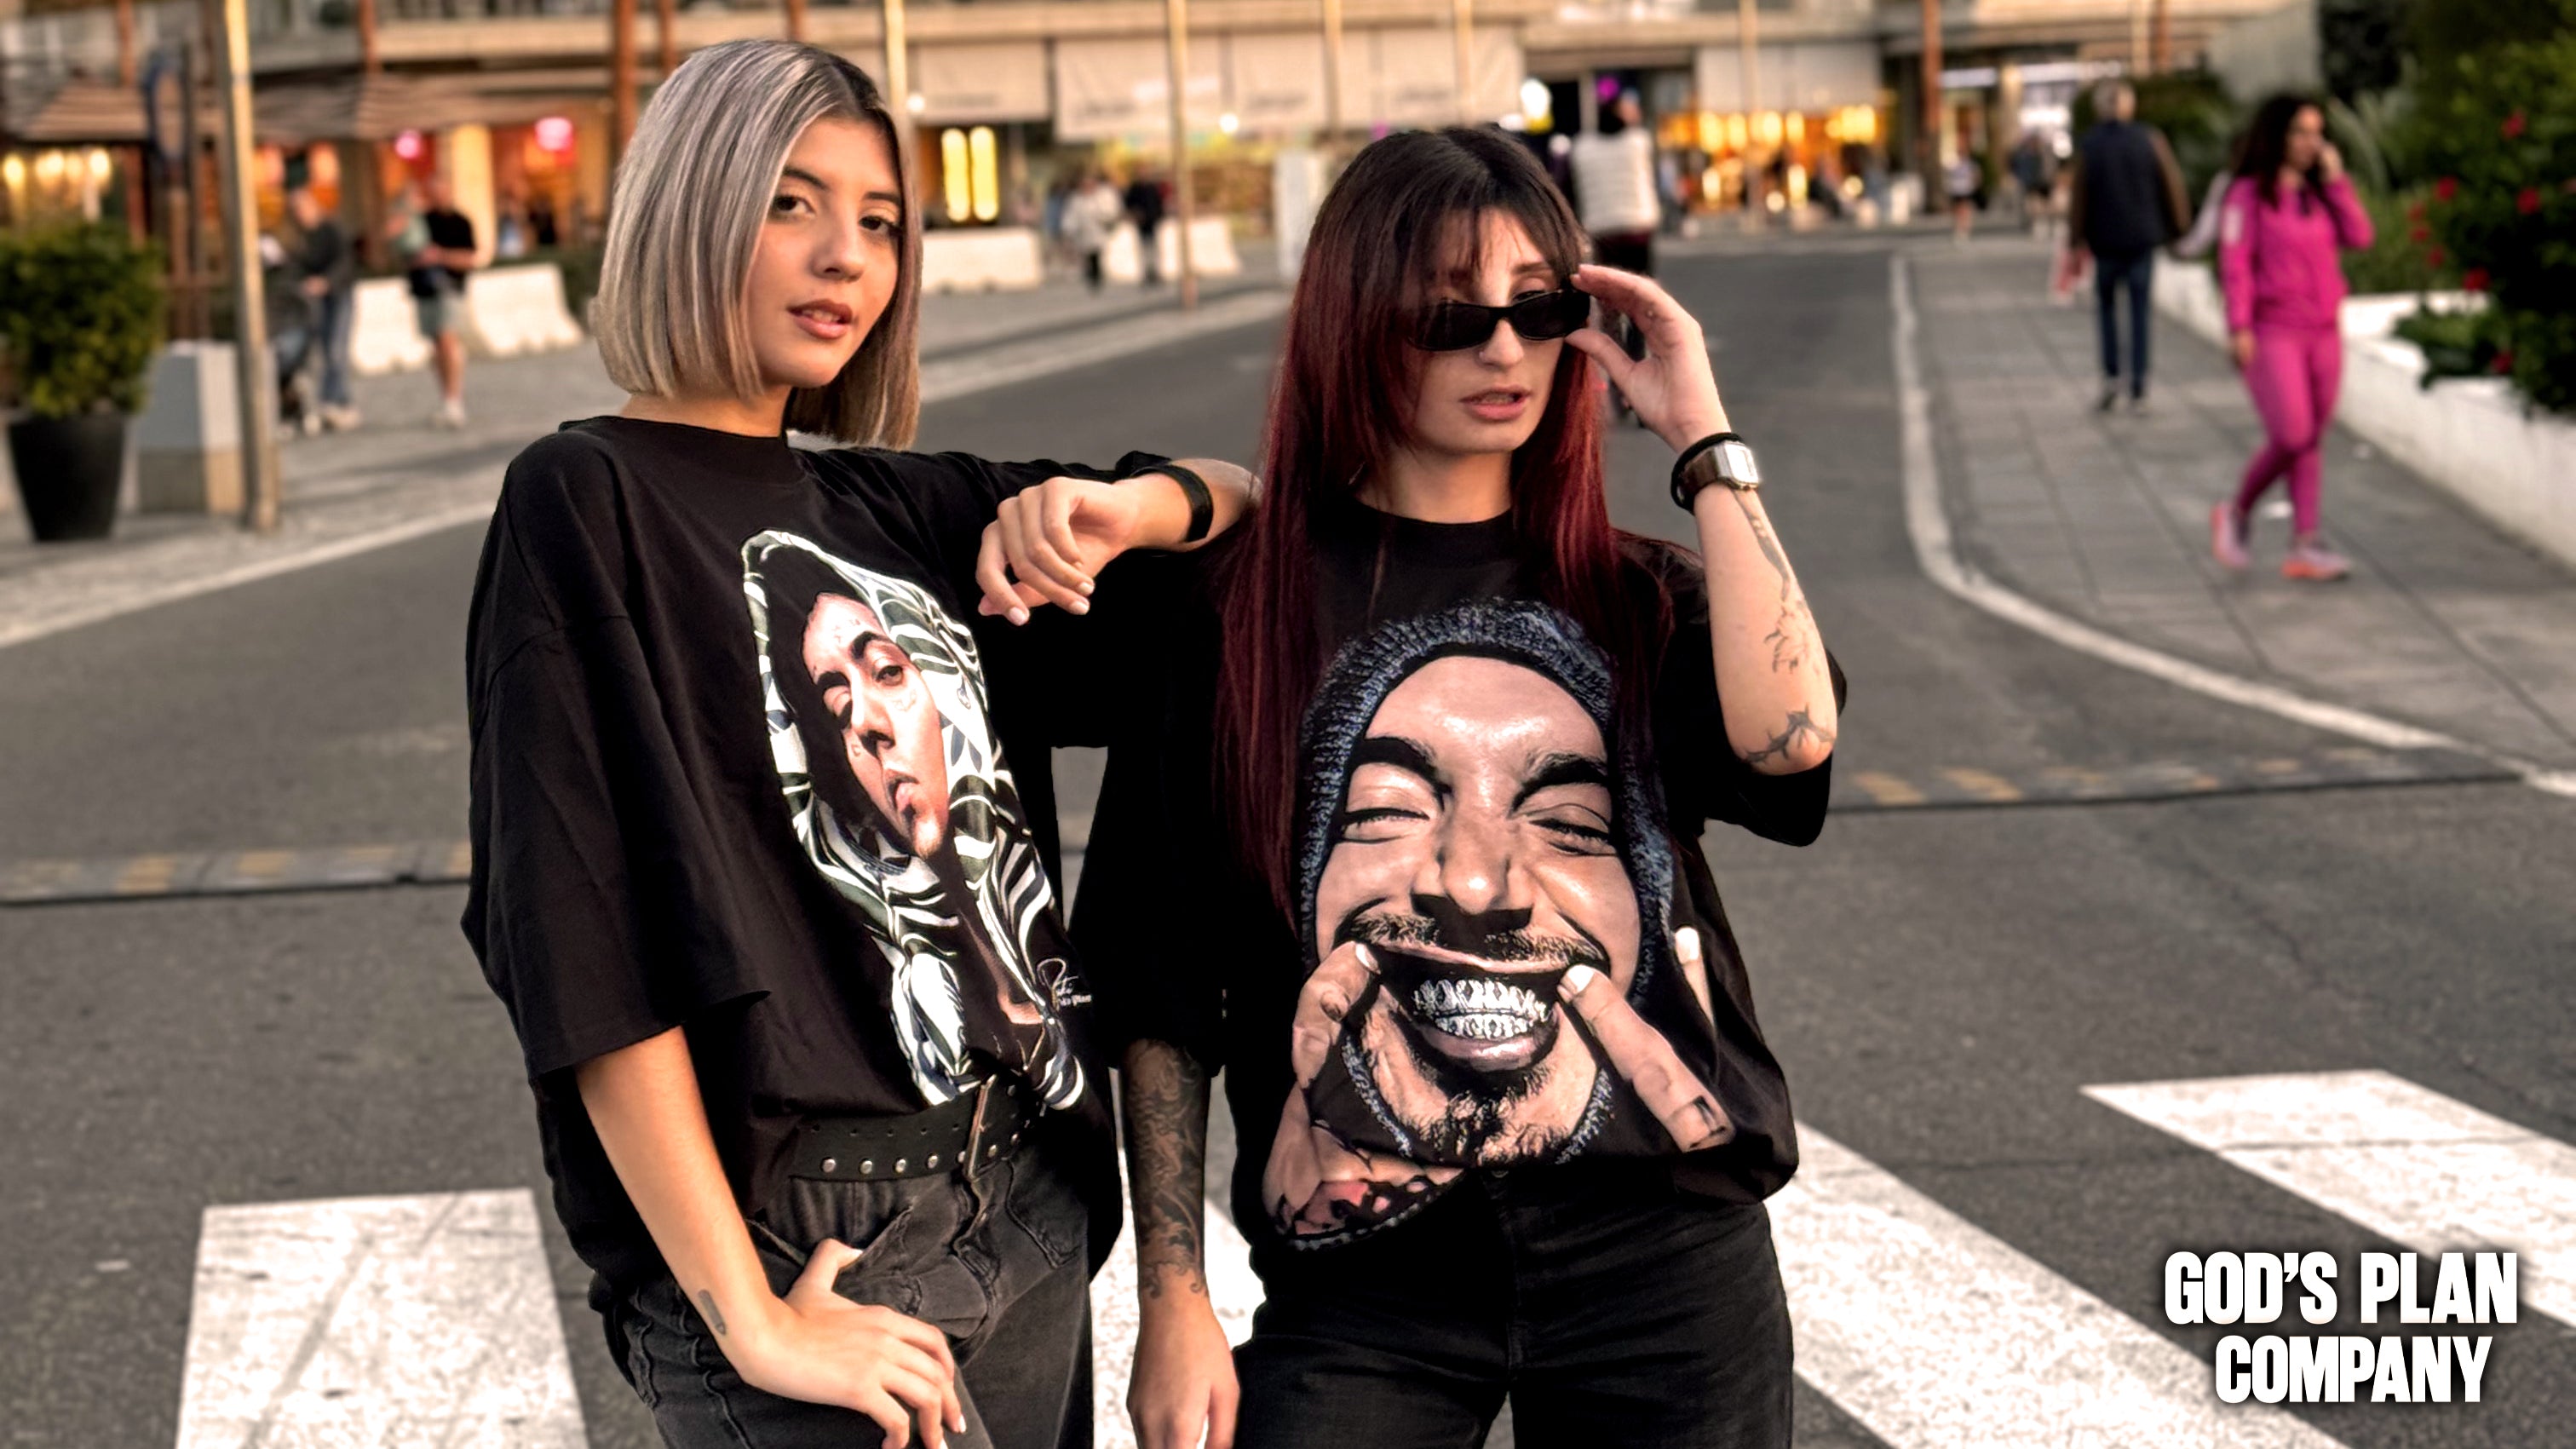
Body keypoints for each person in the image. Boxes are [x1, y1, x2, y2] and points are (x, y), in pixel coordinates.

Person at [461, 39, 1255, 1449]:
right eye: (791, 203)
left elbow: (1249, 524)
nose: (845, 257)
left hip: (1022, 1194)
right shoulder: (584, 500)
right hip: (808, 1244)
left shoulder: (898, 510)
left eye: (881, 222)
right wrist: (750, 1318)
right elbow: (580, 942)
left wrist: (1126, 511)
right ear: (691, 208)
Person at [1077, 127, 1844, 1449]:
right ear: (1355, 325)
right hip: (1363, 1282)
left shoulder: (1639, 596)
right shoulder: (1236, 613)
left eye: (1536, 310)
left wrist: (1704, 438)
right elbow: (1162, 984)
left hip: (1663, 1265)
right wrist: (1174, 1298)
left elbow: (1792, 745)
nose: (1502, 350)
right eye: (1450, 314)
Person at [2210, 94, 2373, 584]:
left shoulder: (2319, 193)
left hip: (2323, 330)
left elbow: (2360, 236)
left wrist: (2337, 181)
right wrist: (2239, 326)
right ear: (2277, 135)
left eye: (2317, 134)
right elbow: (2235, 265)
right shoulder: (2246, 196)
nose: (2310, 143)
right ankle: (2237, 512)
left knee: (2311, 439)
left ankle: (2306, 543)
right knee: (2292, 433)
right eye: (2300, 132)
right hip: (2272, 332)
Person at [2066, 80, 2191, 412]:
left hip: (2105, 242)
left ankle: (2111, 378)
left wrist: (2075, 240)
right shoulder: (2149, 139)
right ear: (2129, 106)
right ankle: (2138, 387)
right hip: (2141, 241)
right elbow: (2172, 186)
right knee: (2139, 312)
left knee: (2106, 311)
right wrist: (2179, 230)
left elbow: (2079, 197)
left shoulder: (2090, 144)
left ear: (2099, 109)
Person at [1568, 91, 1662, 419]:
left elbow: (1573, 190)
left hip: (1604, 234)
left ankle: (1619, 382)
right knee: (1640, 303)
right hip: (1637, 231)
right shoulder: (1638, 141)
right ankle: (1638, 368)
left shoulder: (1581, 148)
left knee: (1610, 308)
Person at [278, 187, 359, 432]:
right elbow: (296, 267)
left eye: (301, 208)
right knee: (320, 350)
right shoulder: (301, 237)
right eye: (294, 211)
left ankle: (336, 402)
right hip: (314, 302)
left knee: (335, 348)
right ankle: (332, 401)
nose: (299, 214)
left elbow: (346, 262)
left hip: (338, 296)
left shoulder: (331, 230)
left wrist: (326, 282)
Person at [405, 175, 478, 428]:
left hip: (450, 291)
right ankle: (448, 399)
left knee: (447, 341)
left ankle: (454, 401)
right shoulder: (421, 222)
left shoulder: (460, 222)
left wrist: (440, 256)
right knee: (437, 348)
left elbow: (470, 259)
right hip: (425, 292)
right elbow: (404, 251)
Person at [1066, 170, 1121, 292]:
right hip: (1083, 234)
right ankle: (1090, 276)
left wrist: (1105, 219)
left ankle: (1097, 278)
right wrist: (1070, 229)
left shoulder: (1101, 197)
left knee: (1097, 255)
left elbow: (1109, 212)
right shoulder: (1076, 200)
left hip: (1098, 232)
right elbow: (1071, 216)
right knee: (1087, 256)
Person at [1123, 170, 1167, 287]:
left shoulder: (1152, 187)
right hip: (1141, 223)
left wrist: (1159, 216)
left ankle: (1155, 271)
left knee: (1154, 248)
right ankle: (1146, 272)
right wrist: (1135, 214)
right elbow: (1129, 203)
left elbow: (1159, 203)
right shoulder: (1135, 188)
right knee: (1144, 249)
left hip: (1152, 222)